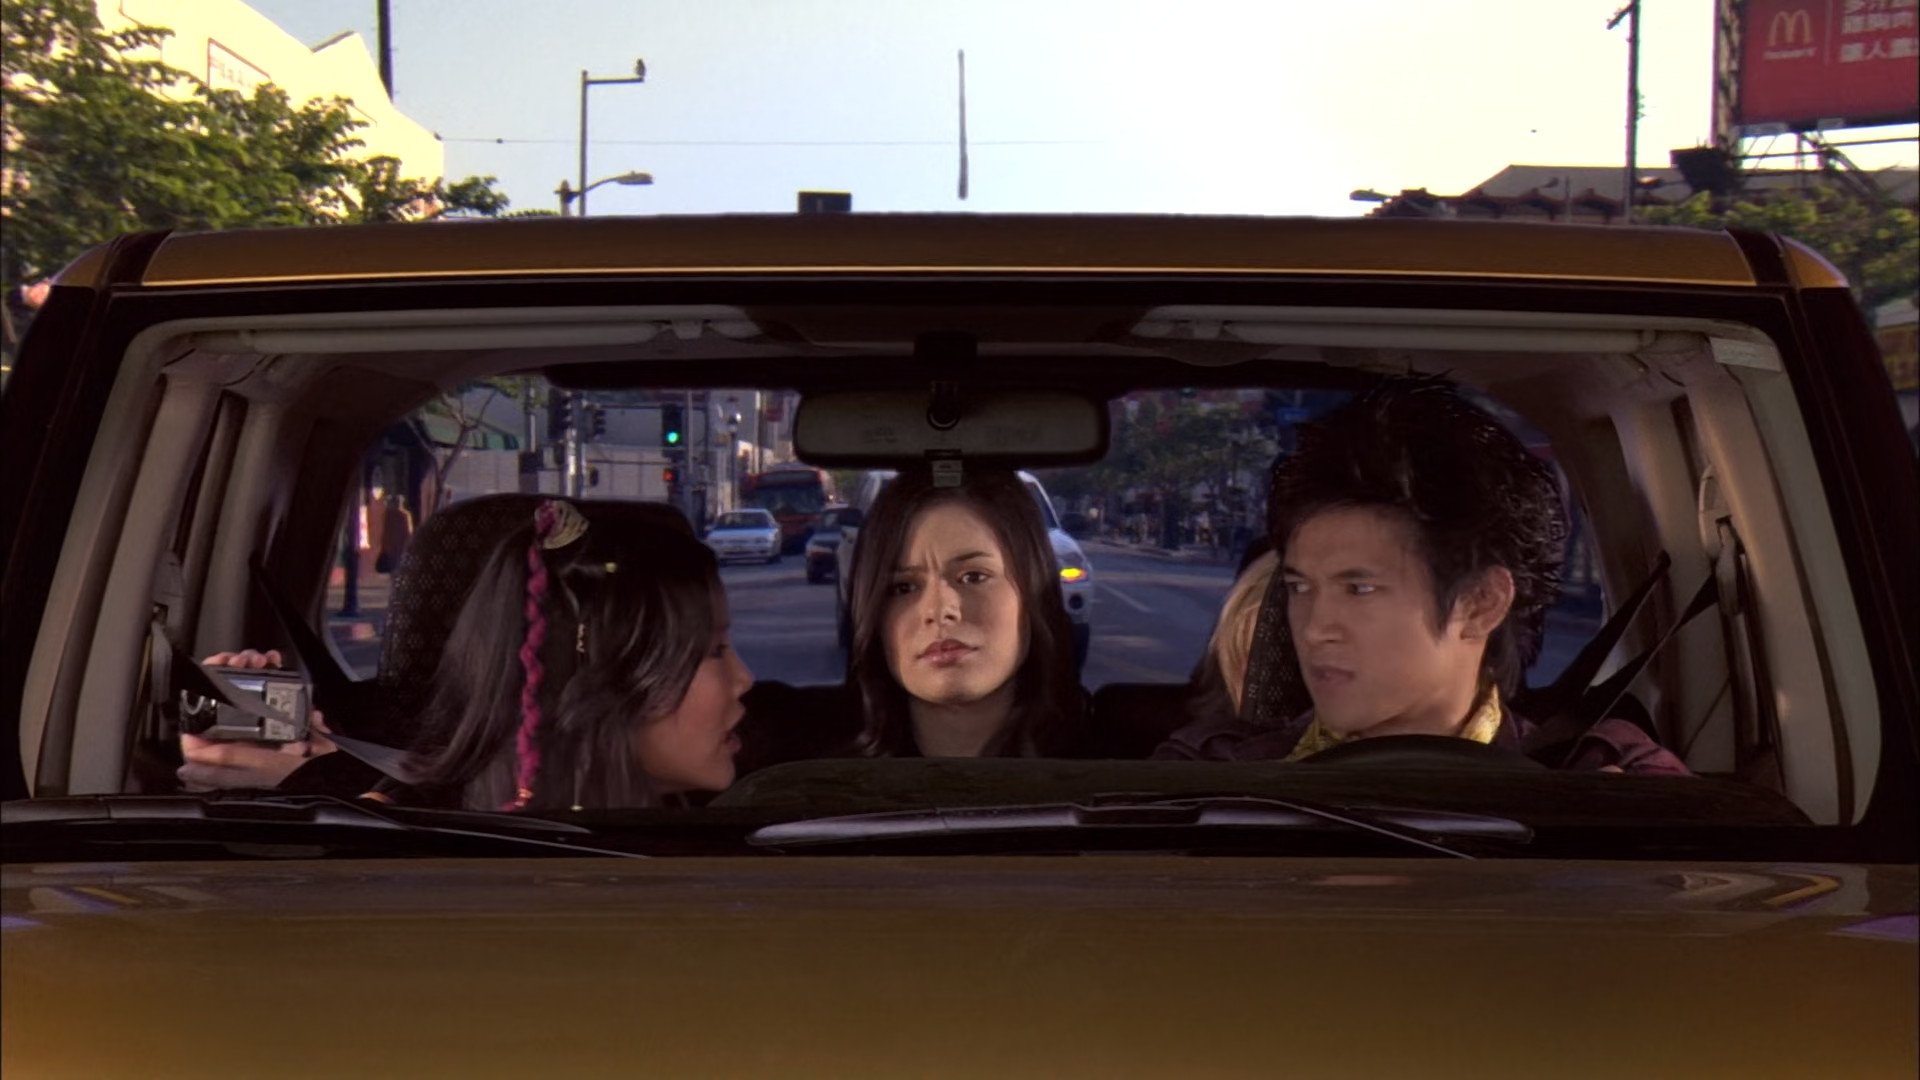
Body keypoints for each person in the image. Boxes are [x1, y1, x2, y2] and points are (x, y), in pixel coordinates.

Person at [1157, 377, 1689, 776]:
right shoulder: (1211, 776)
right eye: (1299, 588)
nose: (1315, 628)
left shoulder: (1605, 776)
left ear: (1481, 602)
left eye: (1359, 589)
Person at [182, 498, 755, 809]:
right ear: (595, 682)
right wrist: (292, 790)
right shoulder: (384, 843)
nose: (746, 679)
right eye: (714, 650)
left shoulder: (773, 818)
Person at [843, 465, 1086, 757]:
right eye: (903, 587)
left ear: (1034, 592)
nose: (940, 610)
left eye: (974, 577)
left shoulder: (1115, 774)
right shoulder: (817, 778)